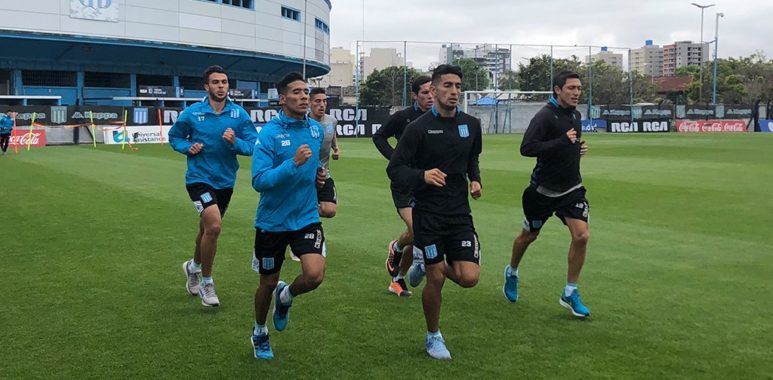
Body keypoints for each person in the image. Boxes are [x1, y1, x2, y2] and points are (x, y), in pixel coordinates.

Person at [387, 64, 483, 360]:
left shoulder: (472, 124)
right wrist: (422, 176)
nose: (454, 91)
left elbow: (472, 158)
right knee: (436, 279)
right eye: (447, 86)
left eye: (457, 86)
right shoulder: (417, 129)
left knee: (469, 278)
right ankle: (433, 336)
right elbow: (395, 169)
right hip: (428, 214)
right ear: (434, 90)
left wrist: (475, 178)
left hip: (459, 214)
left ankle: (425, 265)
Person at [502, 70, 591, 319]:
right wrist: (562, 142)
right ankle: (512, 271)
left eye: (579, 88)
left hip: (571, 189)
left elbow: (569, 143)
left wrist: (577, 147)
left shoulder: (575, 115)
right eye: (571, 88)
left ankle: (570, 291)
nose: (576, 93)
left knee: (581, 235)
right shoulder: (544, 117)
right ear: (557, 89)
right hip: (542, 191)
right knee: (528, 236)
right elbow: (527, 148)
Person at [250, 72, 326, 360]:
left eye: (305, 91)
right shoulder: (269, 134)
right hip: (272, 221)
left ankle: (287, 296)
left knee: (315, 275)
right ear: (282, 99)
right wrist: (293, 164)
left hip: (306, 216)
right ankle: (259, 331)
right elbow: (259, 180)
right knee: (267, 283)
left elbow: (316, 167)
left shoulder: (316, 130)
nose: (304, 96)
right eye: (296, 92)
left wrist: (318, 178)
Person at [169, 65, 258, 307]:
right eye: (216, 82)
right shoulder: (192, 113)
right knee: (215, 226)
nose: (221, 86)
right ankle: (207, 283)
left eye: (225, 82)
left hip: (225, 181)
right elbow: (174, 137)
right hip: (199, 179)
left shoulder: (239, 115)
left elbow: (252, 145)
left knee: (206, 230)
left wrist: (235, 142)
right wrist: (188, 147)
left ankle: (193, 267)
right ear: (206, 86)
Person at [372, 75, 433, 297]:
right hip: (404, 184)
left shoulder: (441, 118)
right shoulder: (404, 118)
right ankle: (399, 250)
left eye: (432, 92)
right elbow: (379, 136)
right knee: (418, 230)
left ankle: (397, 277)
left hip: (427, 185)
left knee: (415, 232)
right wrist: (394, 158)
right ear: (415, 95)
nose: (430, 97)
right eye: (425, 93)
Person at [309, 87, 340, 218]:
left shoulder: (331, 121)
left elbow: (332, 135)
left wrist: (336, 148)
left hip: (324, 173)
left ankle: (303, 213)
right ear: (310, 103)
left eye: (324, 101)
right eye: (317, 101)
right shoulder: (303, 123)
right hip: (306, 176)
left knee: (330, 211)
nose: (322, 105)